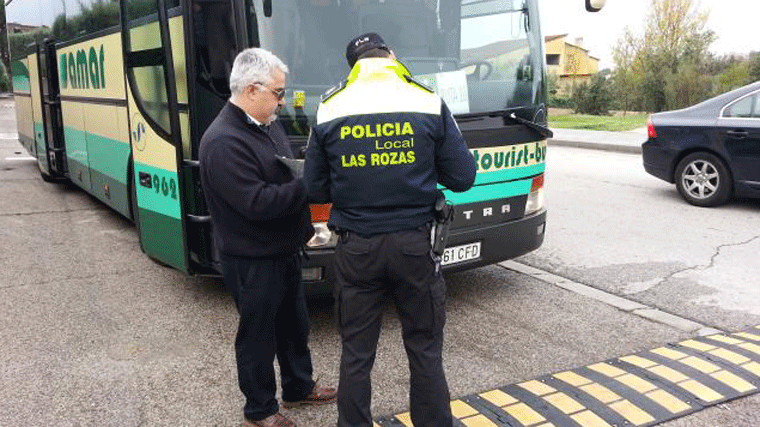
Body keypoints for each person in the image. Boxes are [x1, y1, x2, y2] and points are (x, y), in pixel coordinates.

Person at [303, 33, 477, 427]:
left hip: (357, 248)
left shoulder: (331, 107)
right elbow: (463, 177)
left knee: (357, 355)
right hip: (416, 246)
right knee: (425, 350)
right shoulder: (427, 99)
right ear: (391, 56)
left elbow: (313, 188)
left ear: (354, 65)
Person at [199, 48, 337, 427]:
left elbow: (283, 172)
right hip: (252, 258)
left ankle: (298, 387)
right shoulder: (223, 141)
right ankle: (259, 409)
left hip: (283, 249)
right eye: (278, 93)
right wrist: (308, 185)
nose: (282, 101)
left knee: (295, 325)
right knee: (258, 337)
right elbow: (256, 203)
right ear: (252, 90)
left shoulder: (265, 123)